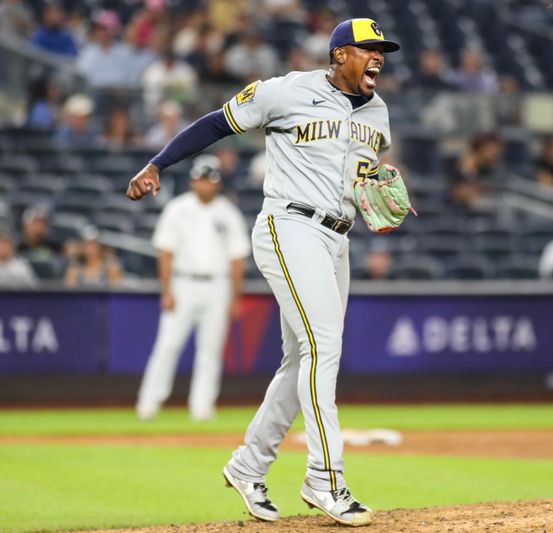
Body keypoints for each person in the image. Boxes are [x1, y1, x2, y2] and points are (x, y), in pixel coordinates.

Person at [126, 17, 399, 527]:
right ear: (340, 54)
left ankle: (249, 464)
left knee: (300, 361)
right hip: (289, 225)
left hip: (338, 238)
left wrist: (380, 188)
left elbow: (366, 179)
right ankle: (325, 478)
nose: (378, 56)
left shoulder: (379, 114)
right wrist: (159, 164)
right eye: (368, 48)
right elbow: (215, 122)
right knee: (324, 347)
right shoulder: (287, 91)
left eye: (382, 49)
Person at [136, 155, 249, 422]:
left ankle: (202, 406)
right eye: (200, 179)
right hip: (182, 282)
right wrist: (167, 290)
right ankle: (148, 403)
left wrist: (235, 296)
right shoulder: (178, 209)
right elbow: (165, 252)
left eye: (209, 180)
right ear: (192, 181)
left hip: (218, 285)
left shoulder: (228, 212)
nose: (204, 185)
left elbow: (237, 259)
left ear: (217, 183)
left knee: (210, 351)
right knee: (167, 345)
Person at [450, 131, 503, 210]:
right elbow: (461, 194)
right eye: (493, 152)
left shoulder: (490, 168)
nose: (497, 155)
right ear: (482, 147)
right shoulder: (462, 169)